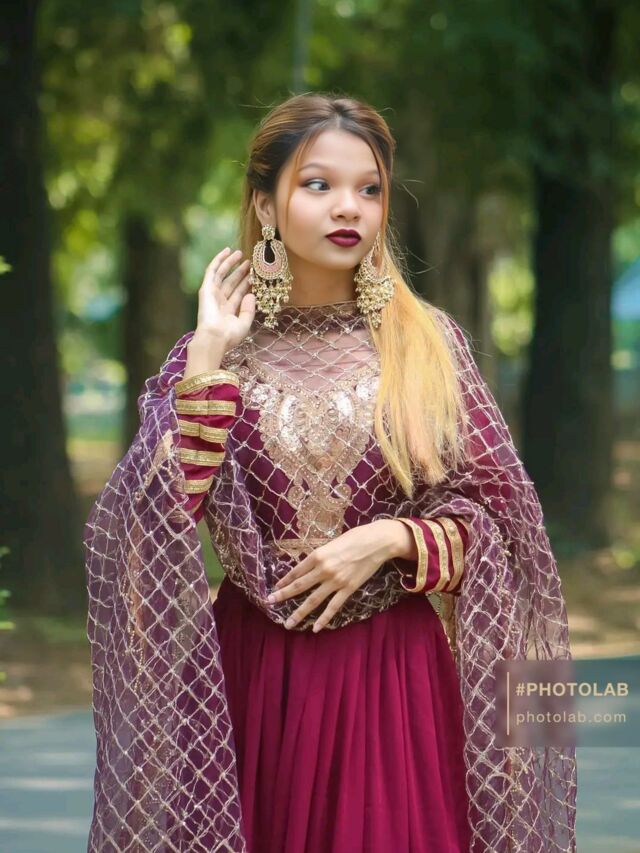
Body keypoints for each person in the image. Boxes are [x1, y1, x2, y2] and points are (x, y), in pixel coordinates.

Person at [84, 92, 577, 852]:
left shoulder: (426, 344)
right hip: (251, 677)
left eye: (369, 189)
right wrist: (209, 358)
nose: (349, 206)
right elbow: (147, 526)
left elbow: (507, 533)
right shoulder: (211, 353)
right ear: (265, 205)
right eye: (318, 184)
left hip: (392, 676)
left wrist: (391, 538)